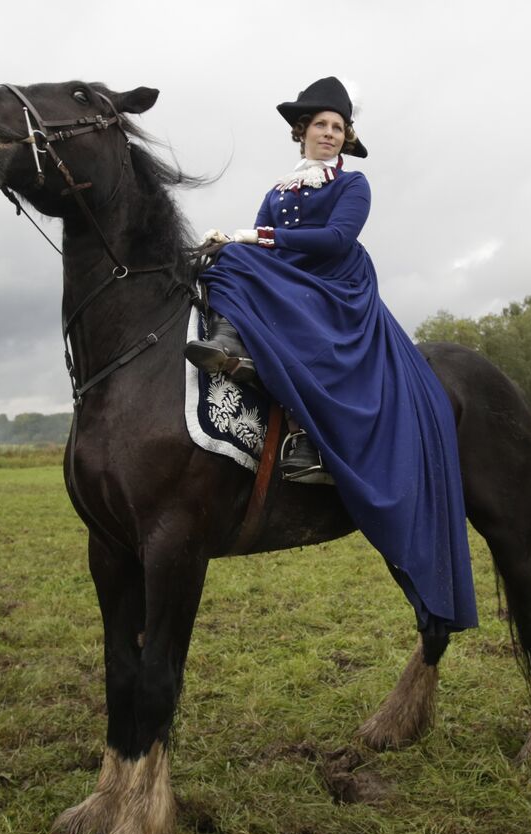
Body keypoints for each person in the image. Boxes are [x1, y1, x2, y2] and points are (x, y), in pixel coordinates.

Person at [187, 77, 478, 636]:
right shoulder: (280, 187)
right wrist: (235, 241)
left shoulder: (354, 183)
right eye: (320, 125)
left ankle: (303, 424)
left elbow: (338, 239)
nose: (328, 134)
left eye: (338, 127)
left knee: (243, 259)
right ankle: (234, 353)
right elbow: (260, 237)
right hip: (291, 276)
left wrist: (257, 238)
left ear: (346, 137)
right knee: (221, 263)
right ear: (302, 132)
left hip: (336, 284)